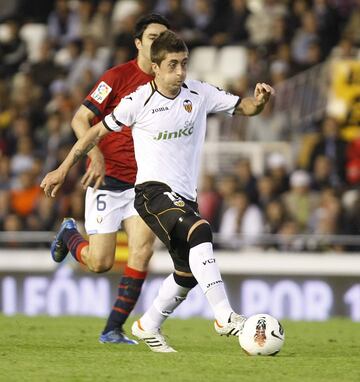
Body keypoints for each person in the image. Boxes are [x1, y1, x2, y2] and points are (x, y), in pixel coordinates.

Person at [41, 30, 274, 352]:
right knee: (199, 231)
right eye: (173, 65)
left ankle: (147, 324)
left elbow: (244, 107)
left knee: (187, 273)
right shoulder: (138, 101)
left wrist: (259, 102)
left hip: (184, 196)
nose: (180, 72)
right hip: (150, 192)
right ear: (155, 68)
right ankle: (225, 316)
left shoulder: (200, 92)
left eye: (184, 64)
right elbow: (93, 132)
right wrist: (63, 169)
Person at [49, 13, 170, 345]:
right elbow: (80, 119)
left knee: (142, 252)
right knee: (100, 263)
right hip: (109, 180)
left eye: (164, 37)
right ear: (138, 43)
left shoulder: (169, 82)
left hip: (144, 184)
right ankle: (69, 233)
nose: (159, 43)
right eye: (153, 37)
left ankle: (112, 330)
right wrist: (94, 153)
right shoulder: (117, 77)